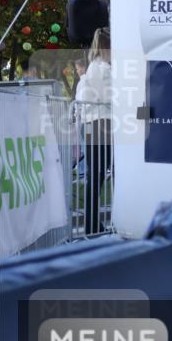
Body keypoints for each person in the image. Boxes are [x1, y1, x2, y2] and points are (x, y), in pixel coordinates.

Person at [75, 27, 113, 235]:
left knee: (97, 175)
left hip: (96, 124)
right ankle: (91, 224)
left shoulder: (98, 67)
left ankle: (92, 223)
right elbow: (109, 97)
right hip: (98, 124)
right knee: (96, 175)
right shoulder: (101, 68)